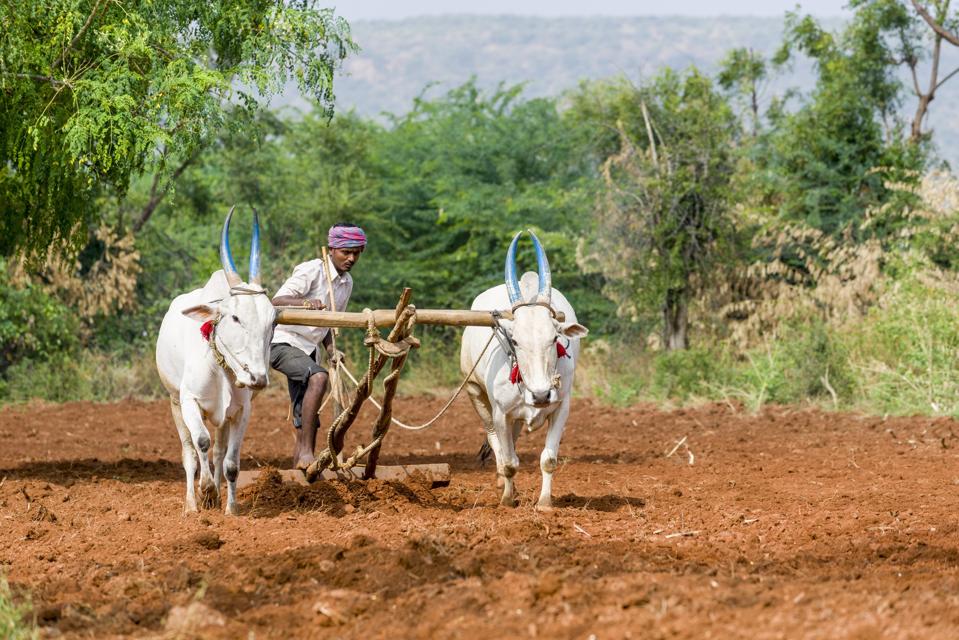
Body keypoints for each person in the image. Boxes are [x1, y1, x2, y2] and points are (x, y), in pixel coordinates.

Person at [270, 223, 366, 469]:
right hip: (284, 342)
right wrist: (305, 303)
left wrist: (331, 349)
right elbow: (277, 300)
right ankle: (305, 454)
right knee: (319, 378)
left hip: (310, 349)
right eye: (346, 252)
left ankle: (299, 469)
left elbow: (330, 324)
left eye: (356, 252)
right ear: (332, 249)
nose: (351, 258)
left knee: (305, 411)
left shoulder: (347, 283)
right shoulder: (312, 270)